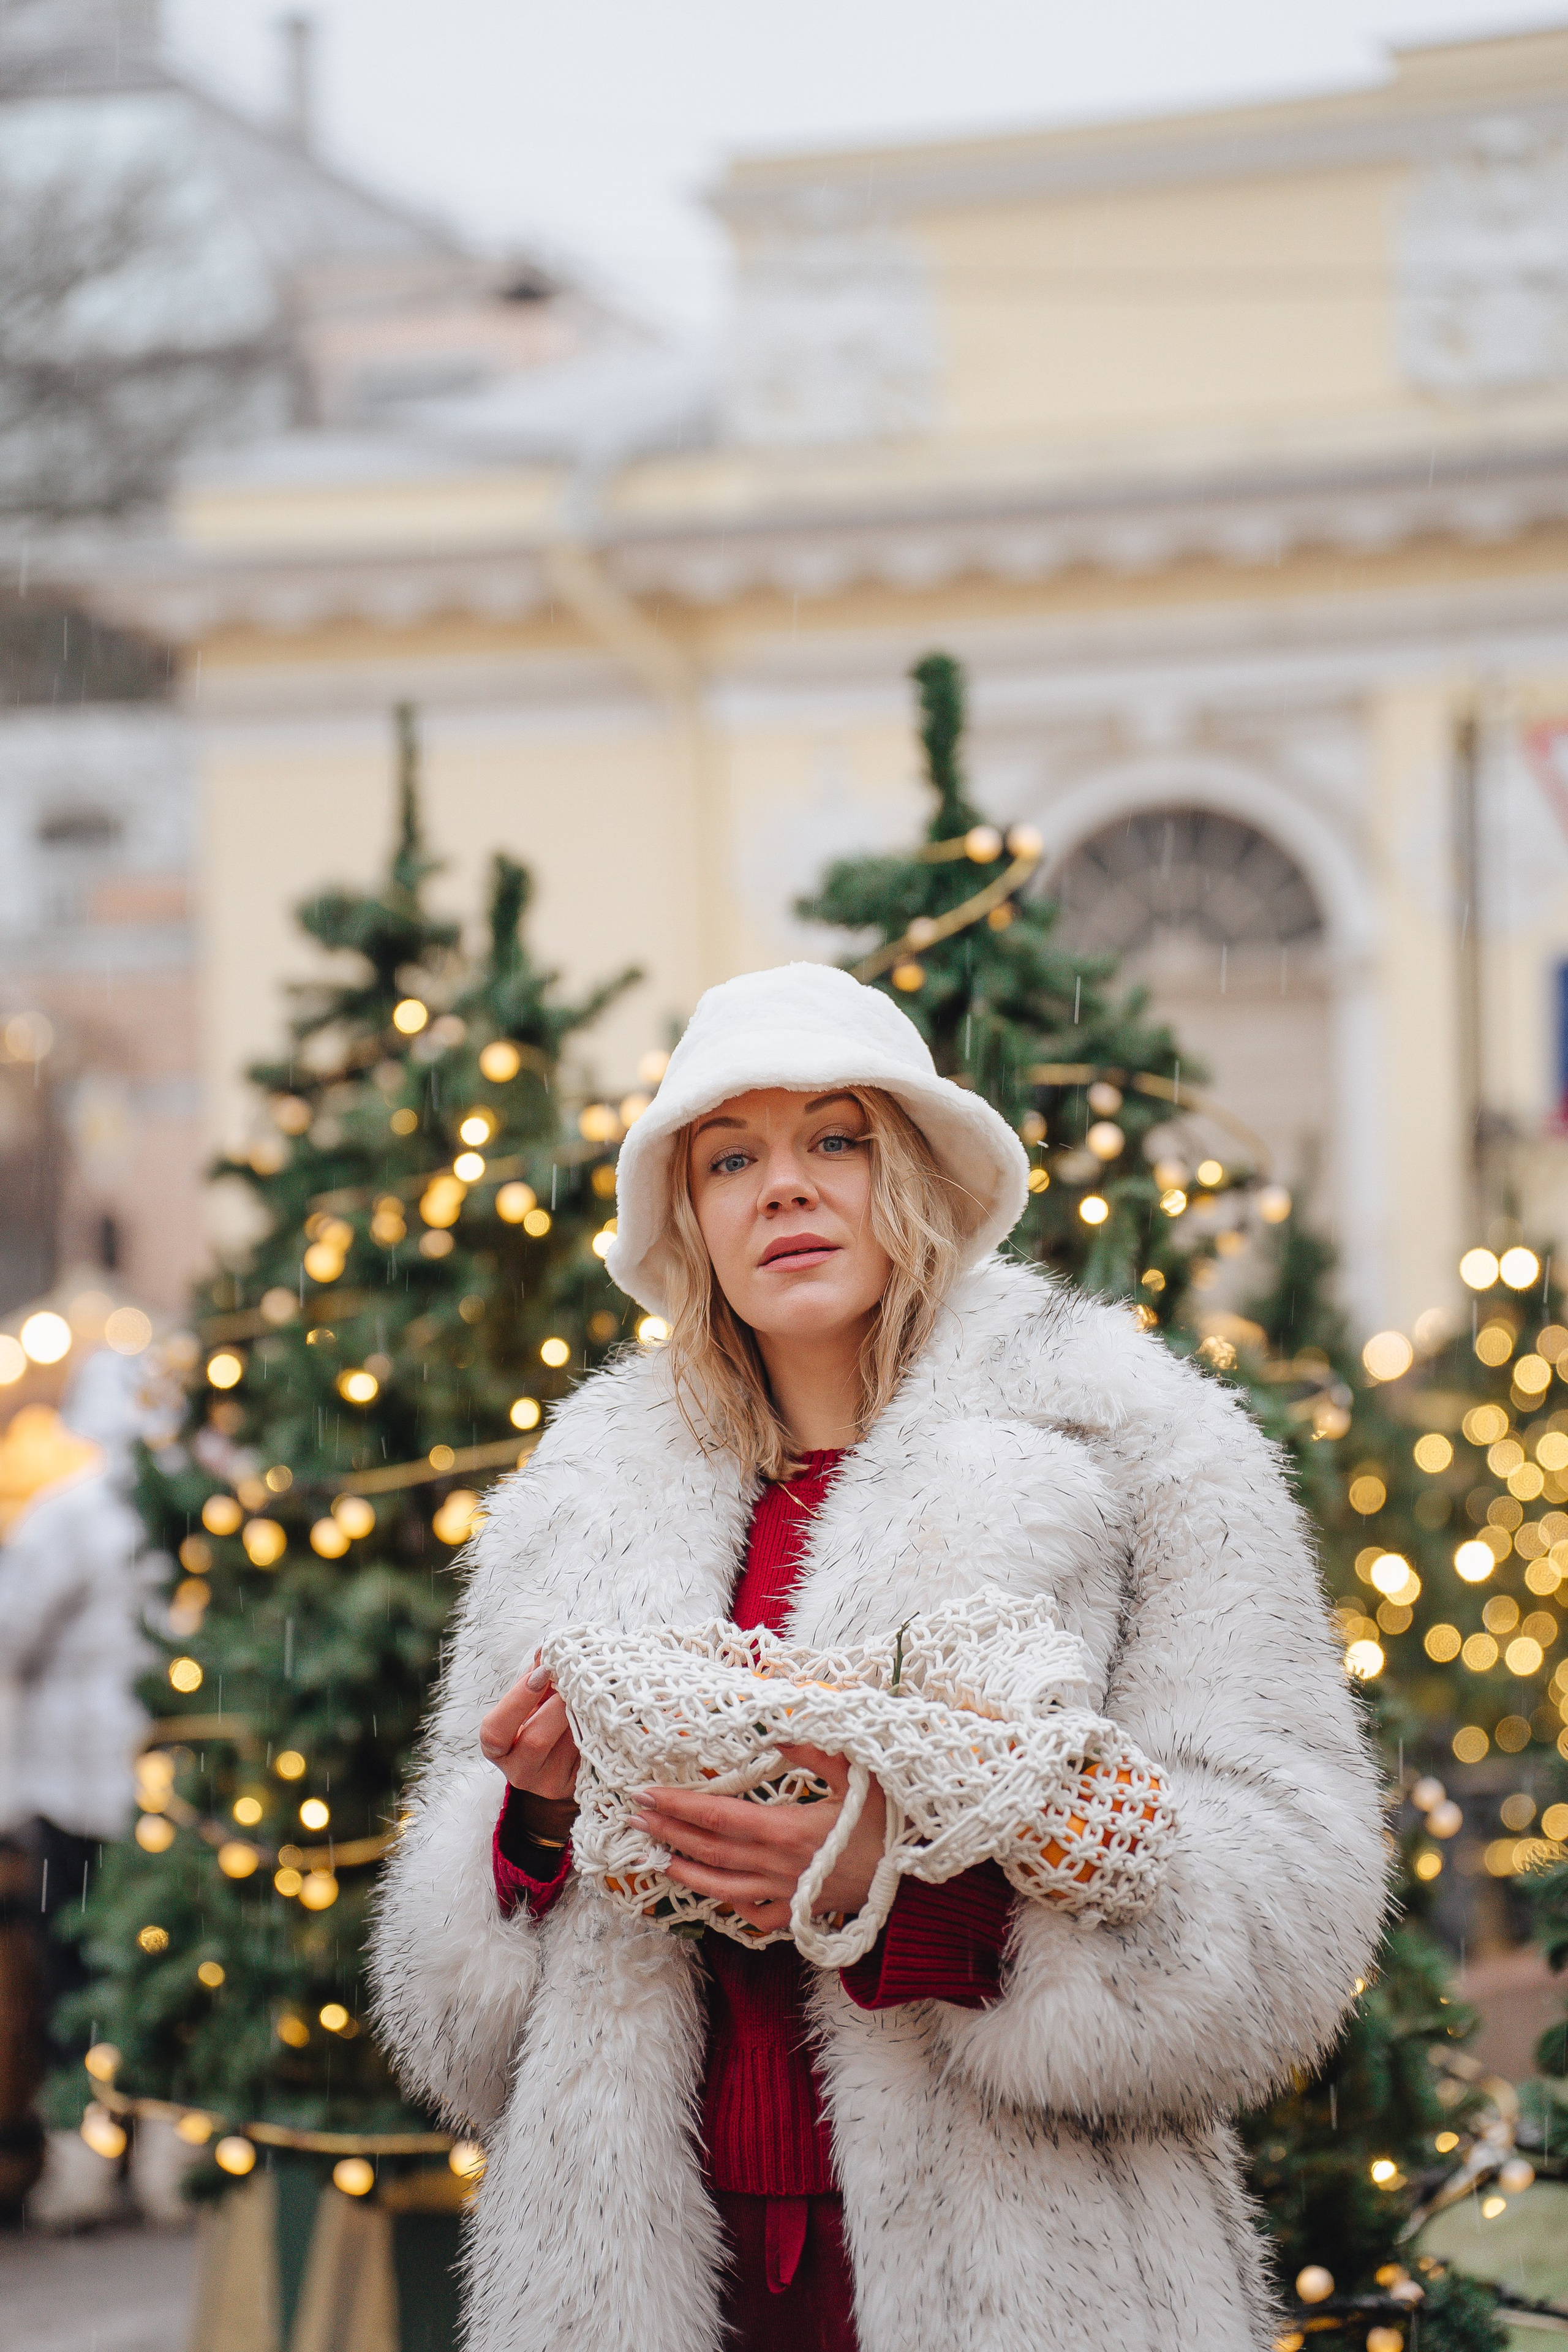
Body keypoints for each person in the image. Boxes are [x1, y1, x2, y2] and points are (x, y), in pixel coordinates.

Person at [371, 962, 1385, 2352]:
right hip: (642, 2282)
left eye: (832, 1141)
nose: (782, 1190)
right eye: (731, 1159)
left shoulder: (1137, 1448)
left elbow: (1289, 1905)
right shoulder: (582, 1495)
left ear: (910, 1169)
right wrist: (532, 1827)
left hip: (1028, 2272)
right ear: (691, 1218)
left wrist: (910, 1907)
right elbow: (455, 2031)